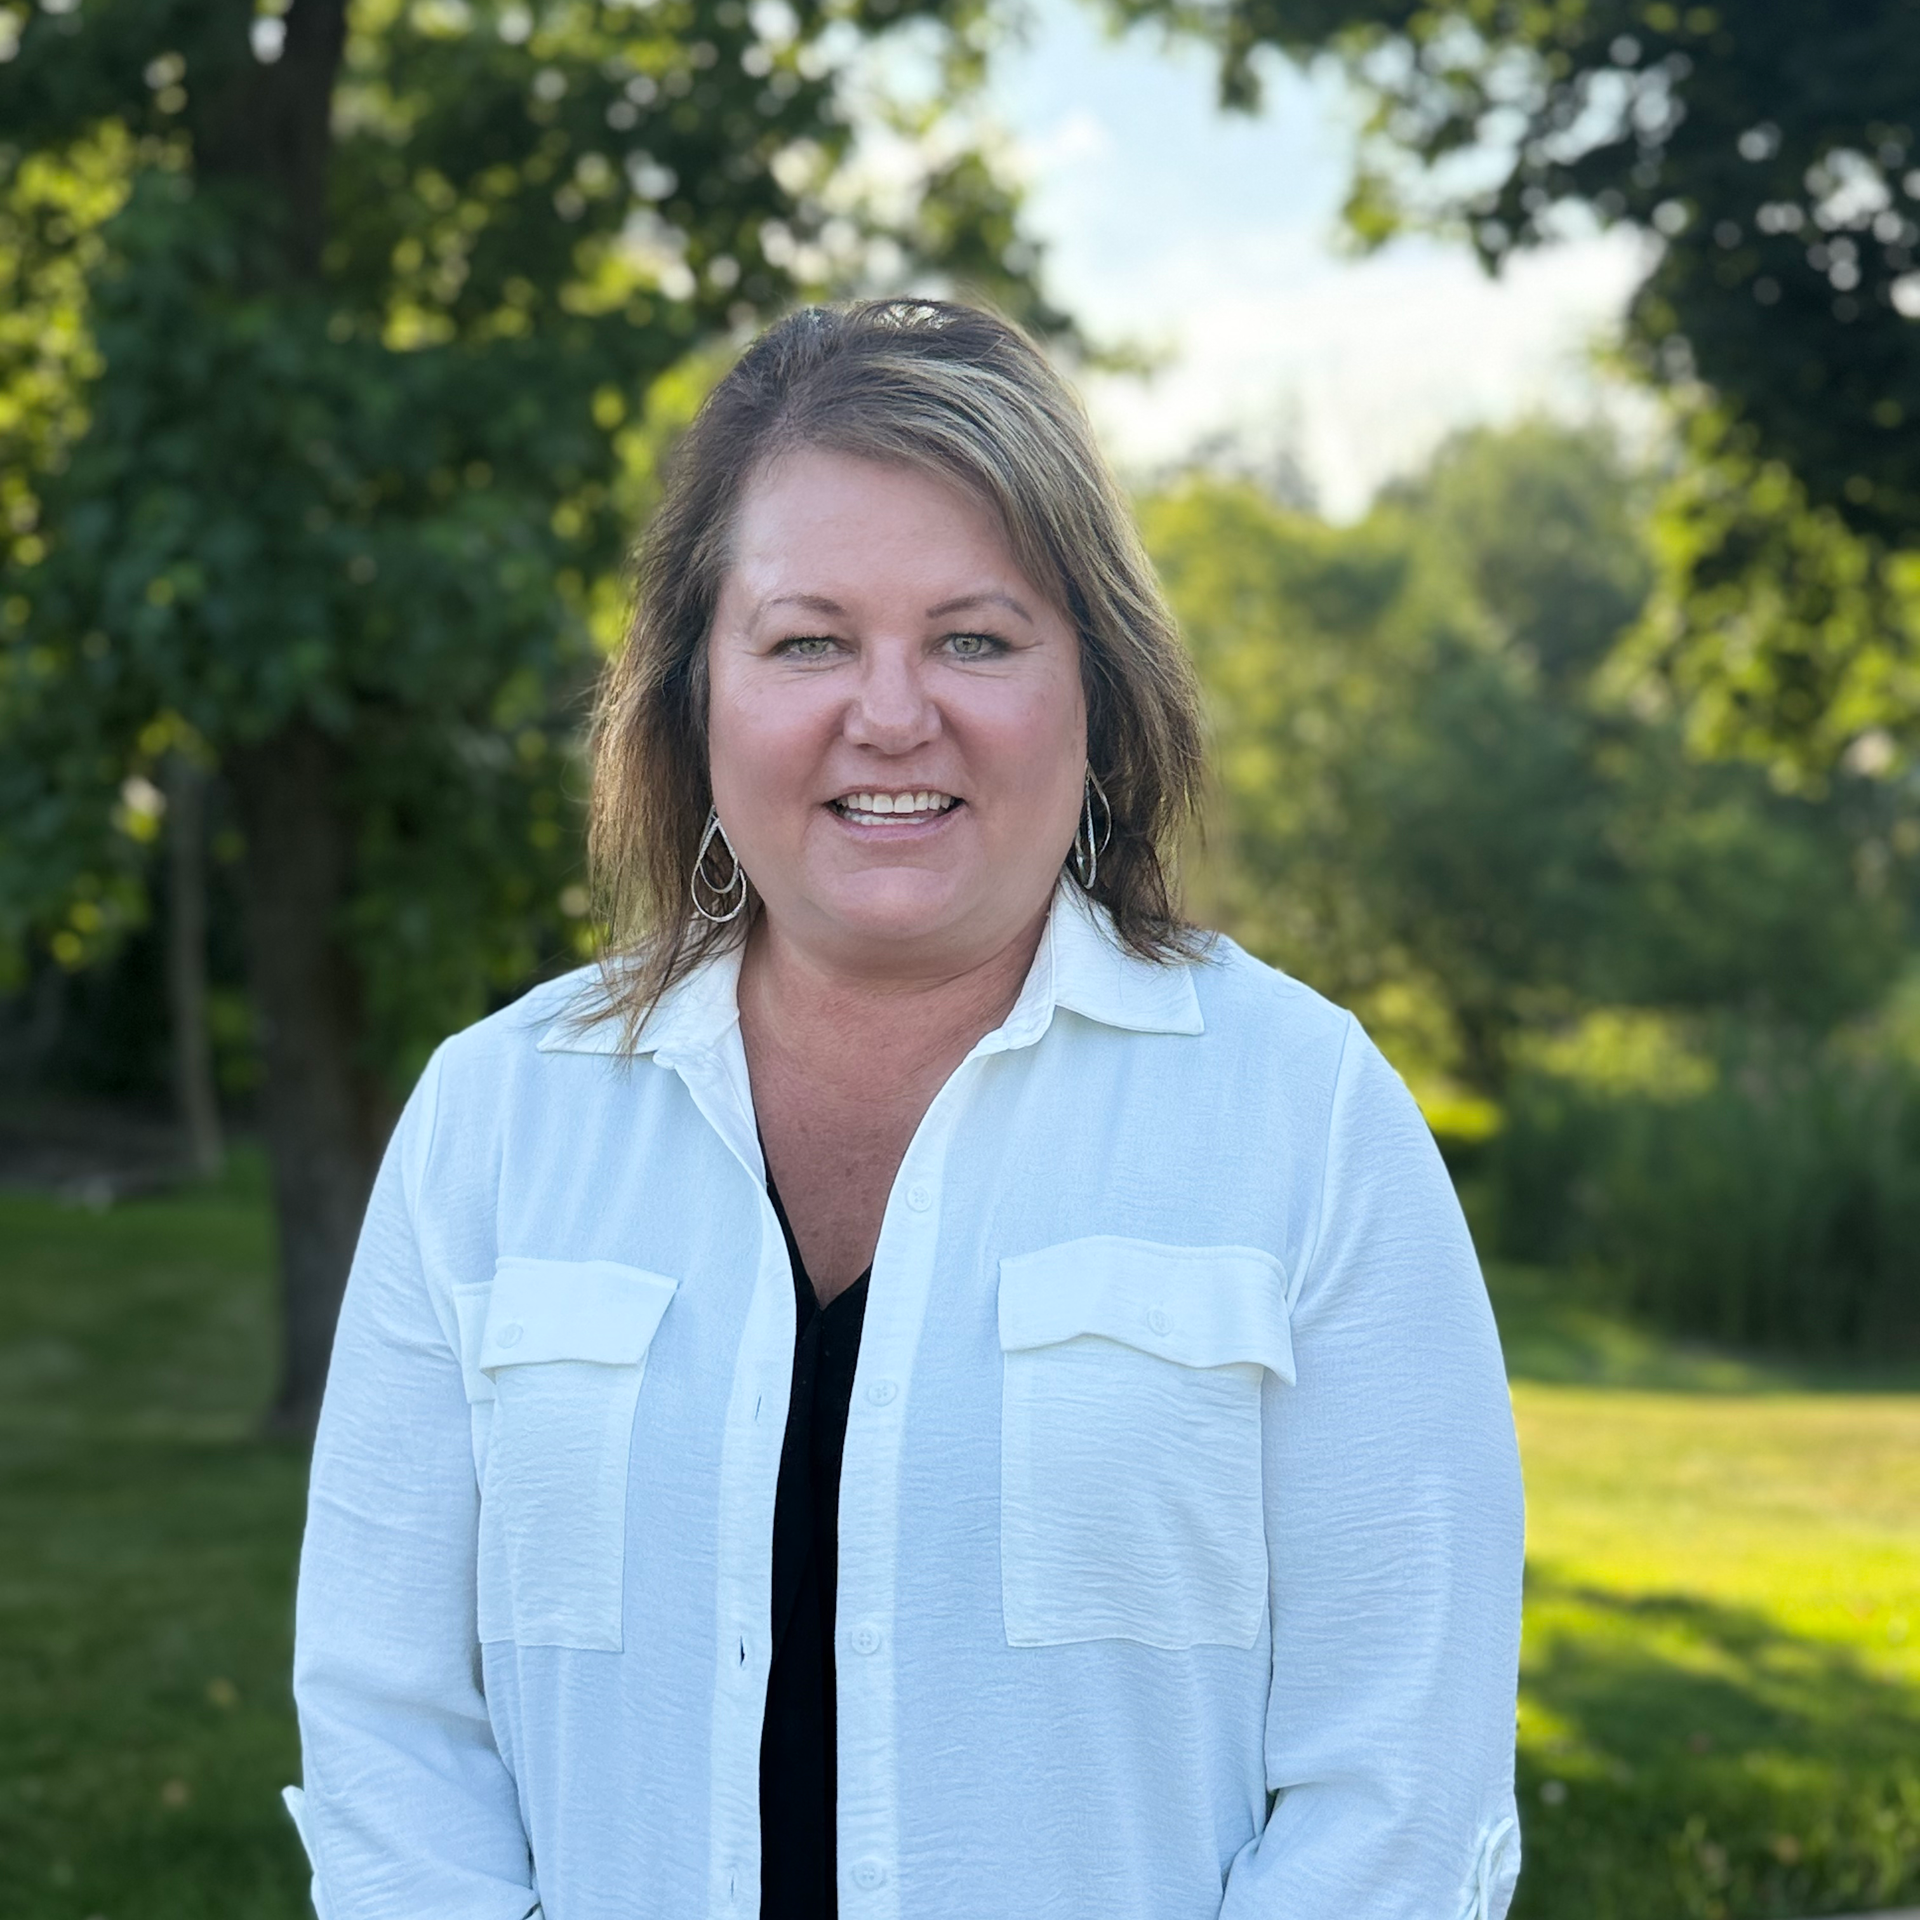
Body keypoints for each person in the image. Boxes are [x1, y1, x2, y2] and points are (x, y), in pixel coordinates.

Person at [285, 299, 1525, 1920]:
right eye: (808, 641)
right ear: (695, 693)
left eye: (975, 639)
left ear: (1096, 688)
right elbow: (388, 1735)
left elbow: (1401, 1794)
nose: (889, 713)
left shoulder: (1305, 1116)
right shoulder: (496, 1123)